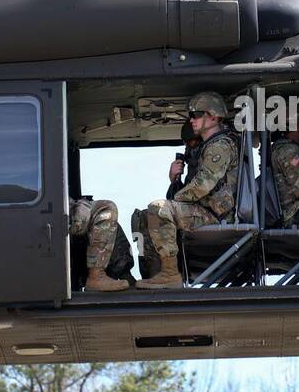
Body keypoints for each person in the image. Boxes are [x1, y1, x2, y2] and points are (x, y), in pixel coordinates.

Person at [136, 92, 240, 289]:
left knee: (159, 209)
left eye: (197, 115)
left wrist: (173, 201)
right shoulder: (206, 147)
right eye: (191, 115)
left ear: (214, 117)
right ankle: (154, 273)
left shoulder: (220, 146)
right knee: (143, 216)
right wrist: (173, 180)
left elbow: (201, 186)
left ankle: (170, 274)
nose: (191, 120)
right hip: (202, 210)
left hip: (216, 215)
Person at [70, 197, 130, 291]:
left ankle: (124, 274)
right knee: (105, 210)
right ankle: (96, 276)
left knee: (109, 225)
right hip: (55, 212)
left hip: (56, 210)